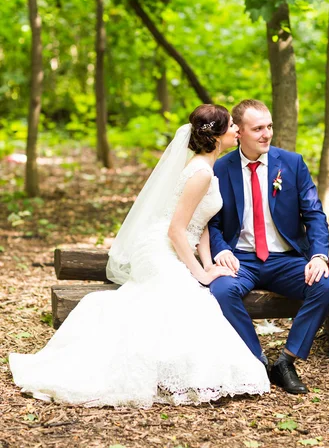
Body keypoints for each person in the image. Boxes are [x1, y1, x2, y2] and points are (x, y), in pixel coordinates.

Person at [9, 104, 269, 408]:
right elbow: (176, 230)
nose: (237, 130)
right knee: (186, 299)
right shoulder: (199, 172)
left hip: (177, 246)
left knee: (185, 300)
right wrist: (201, 275)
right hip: (160, 249)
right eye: (232, 126)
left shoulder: (207, 170)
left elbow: (202, 226)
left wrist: (209, 263)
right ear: (216, 136)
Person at [208, 99, 329, 395]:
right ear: (238, 132)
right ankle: (257, 360)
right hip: (240, 259)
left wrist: (318, 256)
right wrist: (221, 250)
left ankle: (287, 361)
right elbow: (211, 222)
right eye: (258, 129)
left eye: (269, 126)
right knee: (221, 291)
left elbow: (314, 215)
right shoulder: (220, 168)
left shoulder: (291, 164)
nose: (266, 134)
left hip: (286, 259)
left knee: (325, 286)